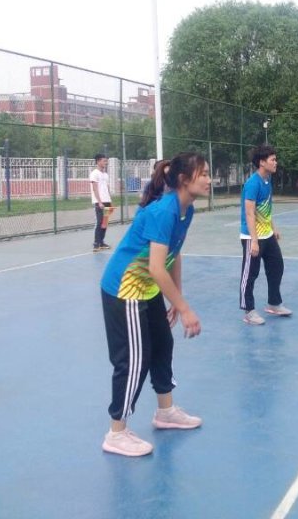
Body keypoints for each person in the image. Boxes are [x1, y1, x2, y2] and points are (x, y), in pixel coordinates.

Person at [99, 152, 207, 458]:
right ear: (184, 180)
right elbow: (157, 268)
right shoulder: (162, 212)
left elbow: (174, 254)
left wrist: (176, 296)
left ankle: (165, 412)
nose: (209, 180)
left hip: (147, 288)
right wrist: (185, 308)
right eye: (204, 174)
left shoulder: (186, 210)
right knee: (134, 360)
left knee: (163, 344)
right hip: (126, 289)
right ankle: (116, 432)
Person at [239, 145, 292, 325]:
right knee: (250, 274)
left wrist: (273, 227)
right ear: (262, 162)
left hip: (267, 234)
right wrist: (254, 241)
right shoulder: (252, 183)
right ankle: (248, 311)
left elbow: (265, 209)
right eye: (272, 160)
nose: (276, 162)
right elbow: (249, 213)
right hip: (252, 237)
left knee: (277, 266)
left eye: (275, 159)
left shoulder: (267, 180)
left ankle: (274, 304)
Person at [90, 153, 113, 252]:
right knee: (100, 222)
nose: (106, 163)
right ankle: (96, 243)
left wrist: (110, 200)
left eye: (106, 161)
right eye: (104, 161)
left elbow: (107, 188)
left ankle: (101, 242)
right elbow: (95, 189)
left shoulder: (106, 175)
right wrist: (99, 202)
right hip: (99, 202)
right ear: (98, 161)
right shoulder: (94, 174)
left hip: (107, 201)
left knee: (105, 223)